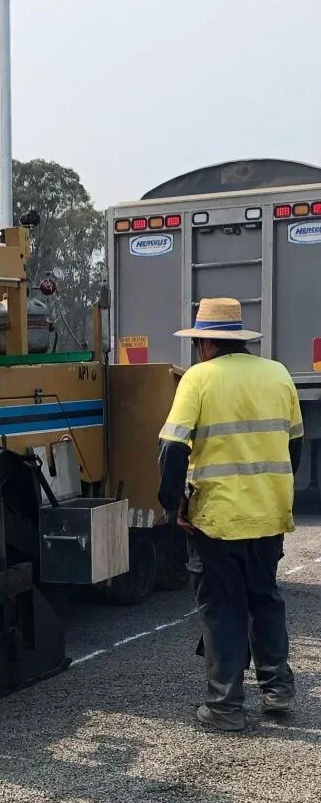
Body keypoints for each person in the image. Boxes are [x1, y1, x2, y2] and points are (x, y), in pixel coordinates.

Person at [157, 297, 303, 732]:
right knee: (265, 599)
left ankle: (225, 706)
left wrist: (172, 505)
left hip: (217, 518)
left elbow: (172, 447)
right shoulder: (278, 374)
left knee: (222, 608)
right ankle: (278, 689)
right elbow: (294, 442)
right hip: (269, 513)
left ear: (204, 343)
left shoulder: (199, 379)